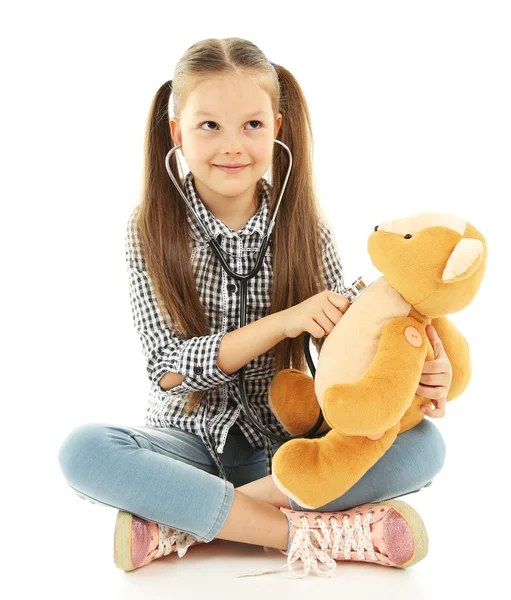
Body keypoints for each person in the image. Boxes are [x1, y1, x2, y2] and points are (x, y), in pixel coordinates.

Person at [57, 37, 448, 579]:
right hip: (188, 445)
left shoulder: (307, 229)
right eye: (209, 126)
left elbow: (348, 345)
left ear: (278, 128)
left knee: (424, 445)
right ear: (177, 133)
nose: (232, 145)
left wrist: (419, 371)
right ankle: (305, 531)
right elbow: (166, 368)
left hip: (288, 446)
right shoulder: (150, 228)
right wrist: (284, 322)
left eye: (252, 125)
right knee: (84, 451)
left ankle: (187, 518)